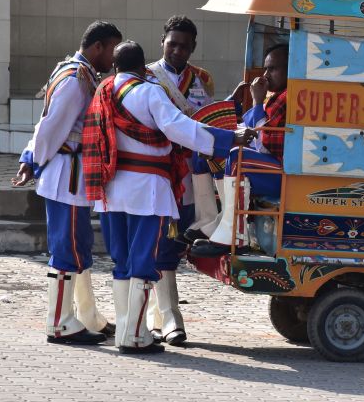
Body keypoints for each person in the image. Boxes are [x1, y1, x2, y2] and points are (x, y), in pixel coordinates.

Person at [82, 41, 251, 354]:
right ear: (143, 66)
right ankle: (135, 335)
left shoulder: (103, 91)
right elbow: (177, 127)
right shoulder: (149, 91)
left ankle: (126, 330)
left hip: (110, 190)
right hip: (147, 189)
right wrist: (229, 137)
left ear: (116, 67)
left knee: (121, 260)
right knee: (144, 259)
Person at [12, 21, 123, 345]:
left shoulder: (76, 72)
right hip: (67, 177)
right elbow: (51, 127)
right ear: (98, 47)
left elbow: (46, 124)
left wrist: (30, 157)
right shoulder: (77, 80)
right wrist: (33, 160)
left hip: (70, 175)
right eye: (112, 49)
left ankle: (86, 315)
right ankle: (59, 323)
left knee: (78, 246)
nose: (114, 58)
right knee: (67, 249)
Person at [144, 15, 216, 346]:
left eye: (183, 46)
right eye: (172, 43)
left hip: (190, 175)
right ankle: (169, 317)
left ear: (193, 48)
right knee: (160, 243)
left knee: (176, 242)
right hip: (156, 172)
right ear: (162, 41)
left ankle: (156, 317)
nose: (176, 50)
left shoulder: (202, 80)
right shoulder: (146, 77)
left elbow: (210, 122)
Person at [190, 44, 288, 257]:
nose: (265, 75)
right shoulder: (276, 97)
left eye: (273, 69)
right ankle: (211, 223)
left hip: (285, 172)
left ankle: (233, 233)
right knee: (211, 151)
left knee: (236, 157)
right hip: (270, 165)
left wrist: (257, 101)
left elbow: (263, 142)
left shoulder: (287, 97)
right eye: (265, 69)